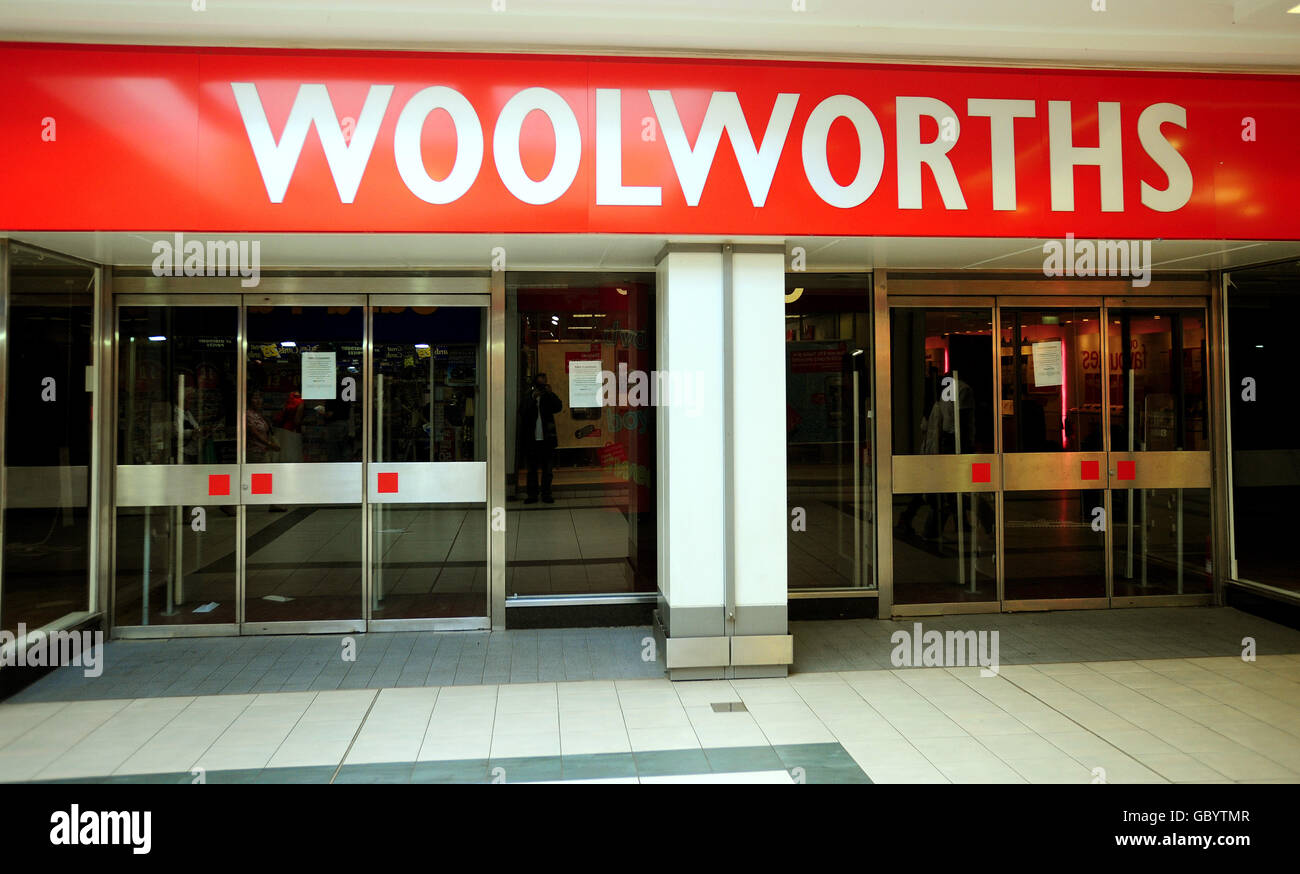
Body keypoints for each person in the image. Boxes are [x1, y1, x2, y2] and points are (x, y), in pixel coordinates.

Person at [519, 372, 562, 504]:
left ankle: (546, 494)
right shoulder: (528, 395)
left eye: (544, 383)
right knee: (532, 470)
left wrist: (550, 393)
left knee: (547, 469)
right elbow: (522, 411)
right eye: (539, 384)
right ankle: (532, 495)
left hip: (547, 439)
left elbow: (558, 407)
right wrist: (533, 398)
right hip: (531, 439)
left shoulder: (548, 396)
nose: (541, 387)